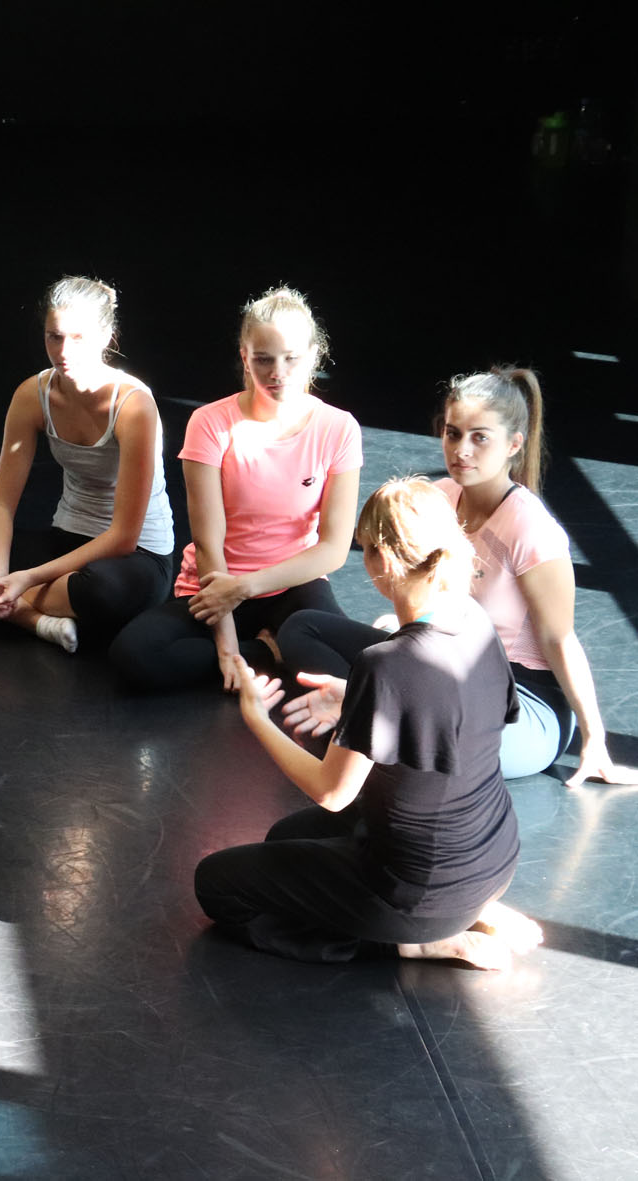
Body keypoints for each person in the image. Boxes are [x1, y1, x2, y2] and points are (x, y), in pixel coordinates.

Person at [195, 478, 542, 969]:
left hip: (417, 893)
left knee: (216, 884)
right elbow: (464, 720)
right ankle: (472, 908)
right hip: (492, 857)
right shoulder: (475, 620)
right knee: (285, 837)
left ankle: (412, 941)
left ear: (381, 561)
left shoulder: (387, 664)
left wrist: (259, 719)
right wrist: (362, 703)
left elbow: (332, 792)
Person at [275, 368, 636, 786]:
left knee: (424, 741)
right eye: (453, 433)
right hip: (442, 670)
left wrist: (594, 740)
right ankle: (368, 712)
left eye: (480, 438)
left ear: (513, 445)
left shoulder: (531, 529)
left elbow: (560, 639)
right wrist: (407, 630)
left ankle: (366, 714)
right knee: (304, 627)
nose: (461, 450)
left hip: (522, 704)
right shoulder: (442, 497)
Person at [0, 276, 174, 652]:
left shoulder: (134, 405)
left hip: (136, 557)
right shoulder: (33, 394)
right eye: (54, 337)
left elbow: (124, 536)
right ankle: (32, 618)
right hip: (67, 539)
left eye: (78, 338)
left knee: (100, 590)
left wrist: (26, 578)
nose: (63, 351)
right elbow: (1, 504)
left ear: (106, 337)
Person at [110, 286, 361, 690]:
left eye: (291, 358)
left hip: (292, 584)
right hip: (216, 582)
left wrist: (245, 587)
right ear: (245, 357)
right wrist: (228, 650)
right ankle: (266, 652)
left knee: (343, 671)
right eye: (263, 359)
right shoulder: (210, 423)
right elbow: (208, 543)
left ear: (313, 356)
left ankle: (278, 645)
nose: (278, 372)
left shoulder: (338, 428)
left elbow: (333, 549)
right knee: (135, 655)